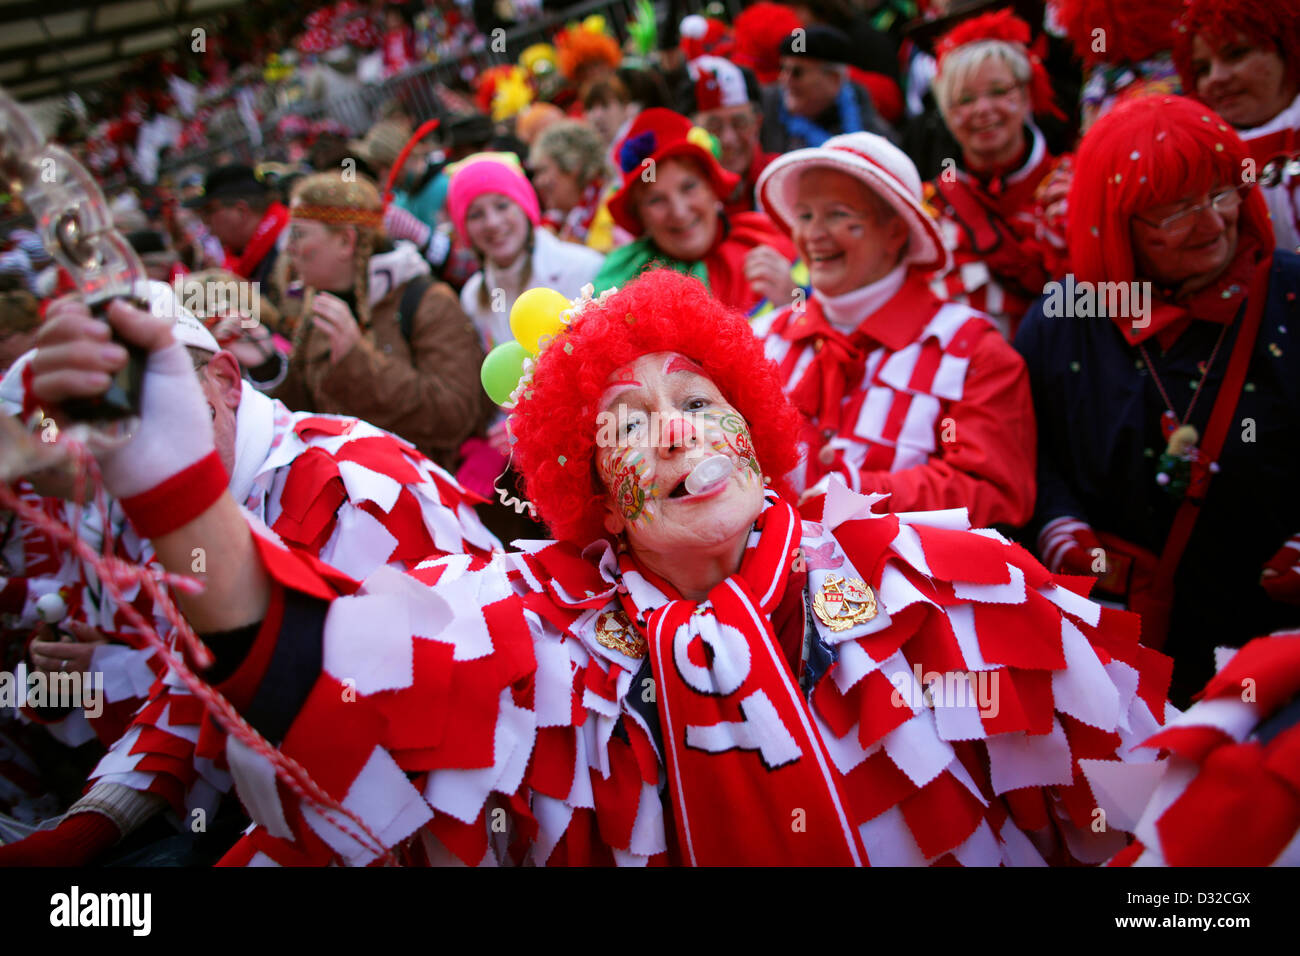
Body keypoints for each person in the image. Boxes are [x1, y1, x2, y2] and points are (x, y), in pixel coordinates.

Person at [7, 268, 1174, 867]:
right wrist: (181, 499)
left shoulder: (944, 581)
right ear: (587, 494)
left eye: (701, 400)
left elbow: (1155, 824)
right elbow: (327, 682)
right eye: (627, 418)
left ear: (760, 436)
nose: (674, 431)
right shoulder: (547, 636)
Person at [0, 283, 501, 861]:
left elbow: (375, 748)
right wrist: (79, 828)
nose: (142, 442)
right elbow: (199, 684)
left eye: (161, 405)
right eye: (114, 428)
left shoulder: (349, 487)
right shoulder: (156, 499)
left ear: (228, 382)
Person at [1014, 95, 1300, 704]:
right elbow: (1027, 453)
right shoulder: (1063, 319)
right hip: (1121, 653)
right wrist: (1059, 525)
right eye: (1174, 210)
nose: (1213, 222)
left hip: (1276, 644)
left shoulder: (1292, 295)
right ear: (1112, 224)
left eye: (1223, 193)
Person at [754, 131, 1036, 529]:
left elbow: (995, 494)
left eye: (837, 214)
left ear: (895, 231)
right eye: (804, 215)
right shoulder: (759, 338)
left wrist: (860, 493)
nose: (813, 234)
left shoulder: (974, 352)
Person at [273, 171, 491, 472]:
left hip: (423, 496)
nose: (288, 248)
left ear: (346, 241)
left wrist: (357, 360)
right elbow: (306, 415)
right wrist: (267, 365)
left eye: (298, 234)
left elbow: (454, 414)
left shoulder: (428, 300)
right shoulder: (319, 305)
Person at [925, 10, 1071, 338]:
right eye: (964, 99)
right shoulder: (931, 207)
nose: (982, 110)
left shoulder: (1074, 186)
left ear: (1025, 95)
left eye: (998, 91)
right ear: (947, 113)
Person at [592, 108, 796, 314]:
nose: (679, 212)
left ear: (713, 187)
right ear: (639, 215)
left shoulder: (770, 239)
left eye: (689, 187)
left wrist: (793, 300)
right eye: (656, 200)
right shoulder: (622, 279)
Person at [1173, 0, 1300, 253]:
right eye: (1202, 69)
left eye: (1237, 54)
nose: (1217, 78)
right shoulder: (1189, 163)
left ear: (1288, 50)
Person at [447, 153, 605, 352]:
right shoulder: (473, 299)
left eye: (502, 205)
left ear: (525, 207)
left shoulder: (585, 269)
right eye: (476, 214)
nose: (492, 223)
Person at [760, 25, 896, 154]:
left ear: (834, 78)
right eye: (783, 69)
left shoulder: (870, 128)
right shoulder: (764, 112)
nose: (784, 80)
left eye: (797, 72)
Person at [677, 56, 776, 217]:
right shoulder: (681, 203)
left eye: (740, 123)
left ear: (757, 123)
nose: (728, 139)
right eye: (713, 127)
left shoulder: (783, 179)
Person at [182, 164, 289, 292]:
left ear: (241, 211)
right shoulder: (248, 258)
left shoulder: (288, 245)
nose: (206, 223)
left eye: (209, 211)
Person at [529, 120, 620, 253]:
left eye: (543, 171)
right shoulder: (555, 225)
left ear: (573, 165)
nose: (537, 182)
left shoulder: (613, 206)